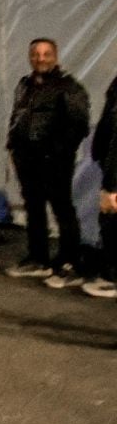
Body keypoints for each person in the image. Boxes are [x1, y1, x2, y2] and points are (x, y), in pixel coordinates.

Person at [4, 38, 92, 286]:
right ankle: (38, 259)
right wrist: (12, 146)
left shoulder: (69, 87)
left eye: (46, 54)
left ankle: (69, 262)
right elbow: (17, 117)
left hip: (55, 163)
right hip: (27, 161)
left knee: (63, 210)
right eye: (36, 54)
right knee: (34, 209)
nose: (41, 58)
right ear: (30, 57)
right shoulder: (24, 85)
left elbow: (79, 126)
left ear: (55, 57)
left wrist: (56, 153)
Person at [87, 71, 117, 299]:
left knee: (111, 219)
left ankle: (113, 278)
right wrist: (99, 151)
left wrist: (113, 186)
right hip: (110, 164)